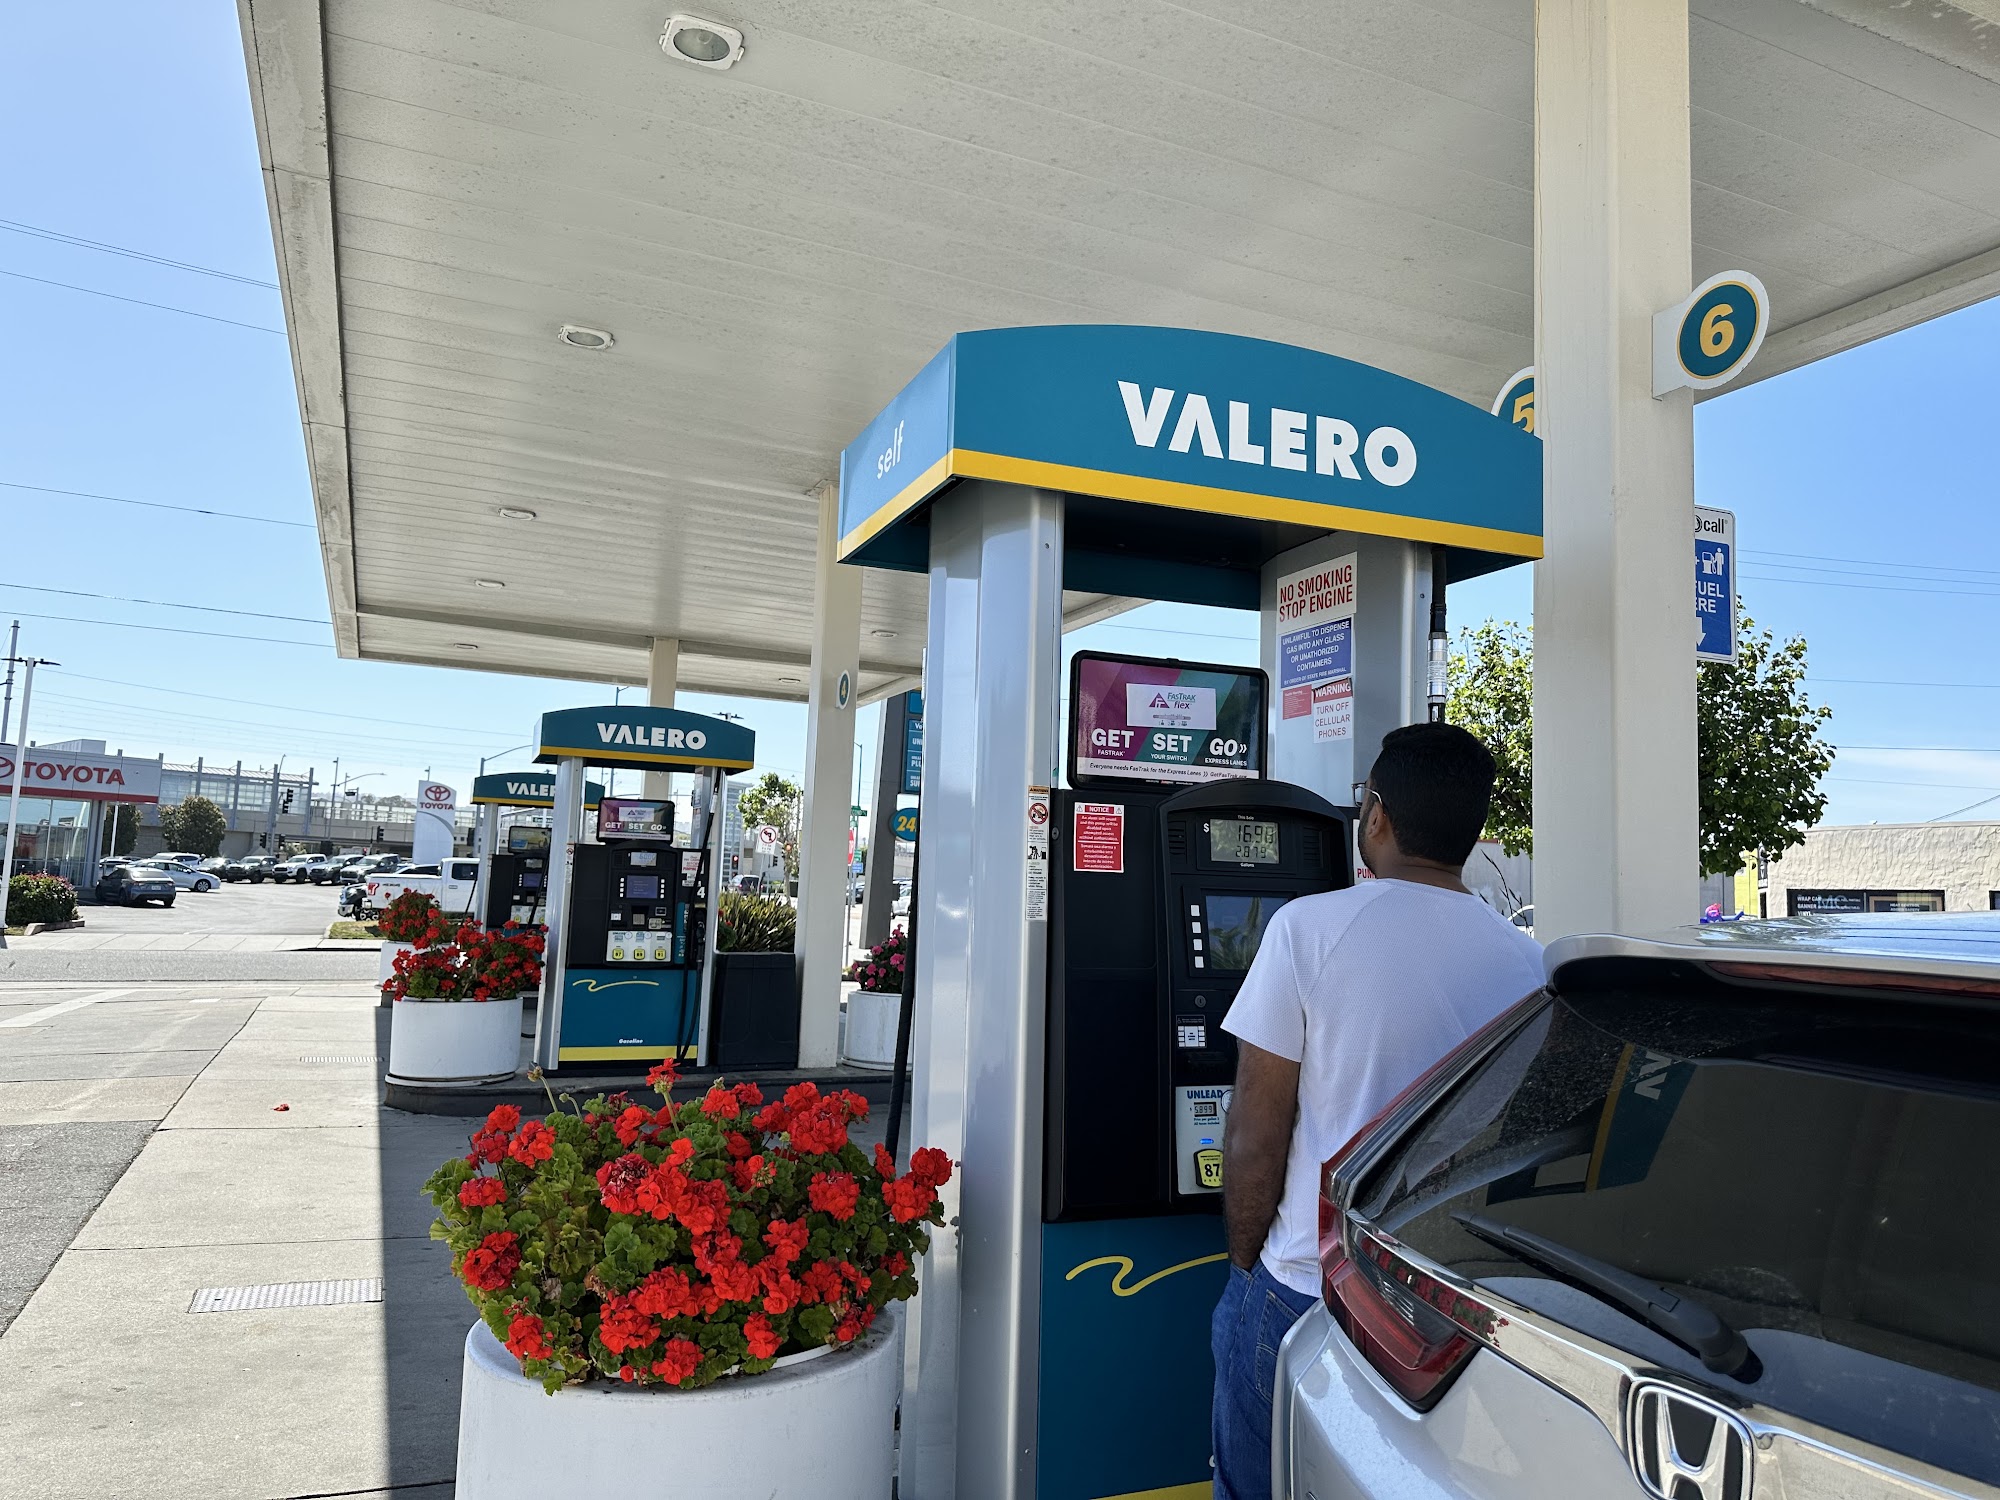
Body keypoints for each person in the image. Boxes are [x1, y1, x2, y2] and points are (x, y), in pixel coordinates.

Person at [1209, 722, 1544, 1499]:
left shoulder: (1308, 929)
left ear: (1378, 813)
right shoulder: (1530, 963)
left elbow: (1256, 1132)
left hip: (1306, 1289)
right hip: (1444, 1312)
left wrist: (1247, 1268)